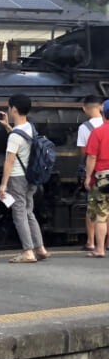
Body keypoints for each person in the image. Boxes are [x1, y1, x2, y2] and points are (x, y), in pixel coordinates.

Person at [0, 93, 49, 263]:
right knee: (28, 211)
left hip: (18, 177)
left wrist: (3, 185)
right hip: (31, 176)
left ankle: (28, 251)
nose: (9, 110)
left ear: (14, 110)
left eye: (9, 107)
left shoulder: (15, 136)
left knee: (19, 213)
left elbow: (10, 161)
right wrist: (7, 126)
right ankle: (40, 248)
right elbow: (22, 140)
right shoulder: (30, 128)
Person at [77, 95, 105, 252]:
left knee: (93, 208)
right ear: (100, 107)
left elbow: (85, 154)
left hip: (96, 173)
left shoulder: (84, 128)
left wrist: (87, 176)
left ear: (84, 108)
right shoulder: (106, 126)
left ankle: (91, 242)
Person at [82, 99, 109, 258]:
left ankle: (99, 249)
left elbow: (91, 157)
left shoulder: (98, 132)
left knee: (101, 214)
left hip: (103, 176)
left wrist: (87, 177)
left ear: (103, 113)